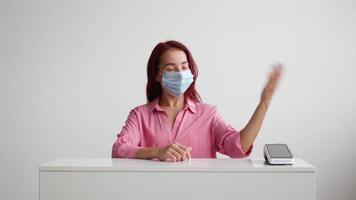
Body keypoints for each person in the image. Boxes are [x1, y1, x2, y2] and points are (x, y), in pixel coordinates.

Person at [112, 40, 282, 162]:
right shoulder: (140, 115)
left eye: (184, 67)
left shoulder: (208, 114)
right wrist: (157, 152)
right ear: (157, 75)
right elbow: (119, 149)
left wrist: (264, 103)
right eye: (171, 68)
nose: (179, 73)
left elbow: (238, 147)